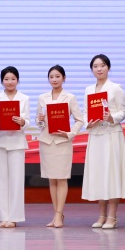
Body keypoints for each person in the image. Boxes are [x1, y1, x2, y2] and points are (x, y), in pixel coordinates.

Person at [81, 54, 125, 229]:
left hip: (111, 135)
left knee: (112, 175)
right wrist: (88, 122)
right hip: (95, 135)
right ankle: (101, 216)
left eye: (102, 65)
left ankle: (112, 216)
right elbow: (85, 113)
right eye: (95, 66)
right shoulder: (89, 90)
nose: (99, 69)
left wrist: (111, 117)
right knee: (99, 175)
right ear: (92, 70)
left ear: (108, 68)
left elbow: (123, 111)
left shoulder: (115, 88)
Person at [36, 65, 84, 228]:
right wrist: (40, 119)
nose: (54, 79)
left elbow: (80, 120)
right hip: (47, 142)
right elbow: (39, 122)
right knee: (52, 179)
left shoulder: (70, 97)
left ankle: (59, 214)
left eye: (57, 76)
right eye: (51, 77)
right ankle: (57, 213)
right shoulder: (42, 97)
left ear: (64, 78)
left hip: (62, 142)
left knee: (61, 178)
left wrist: (70, 133)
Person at [0, 66, 29, 228]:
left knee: (16, 180)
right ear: (2, 81)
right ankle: (3, 216)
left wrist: (23, 121)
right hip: (0, 141)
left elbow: (27, 121)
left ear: (18, 80)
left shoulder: (24, 98)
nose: (10, 82)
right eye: (6, 79)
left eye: (13, 79)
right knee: (1, 180)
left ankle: (14, 217)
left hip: (17, 142)